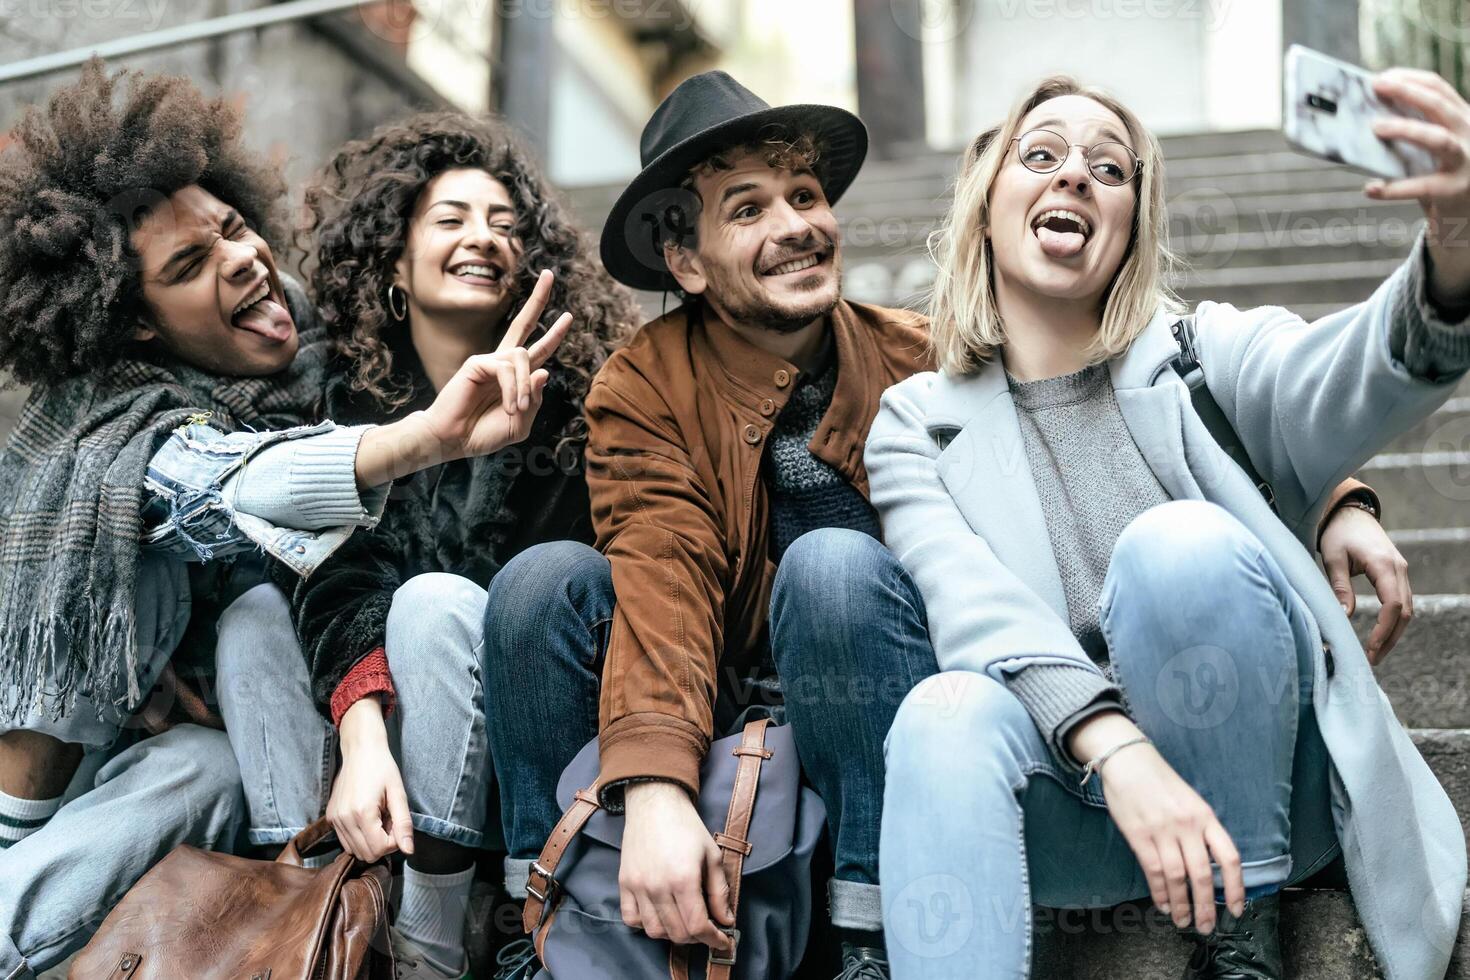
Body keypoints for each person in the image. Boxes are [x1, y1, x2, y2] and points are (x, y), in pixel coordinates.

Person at [481, 72, 1397, 980]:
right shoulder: (642, 385)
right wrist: (655, 790)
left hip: (885, 690)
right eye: (748, 210)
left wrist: (1330, 495)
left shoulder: (919, 358)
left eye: (804, 196)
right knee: (538, 586)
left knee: (833, 566)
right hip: (721, 692)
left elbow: (1119, 378)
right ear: (685, 260)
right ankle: (543, 924)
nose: (796, 227)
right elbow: (663, 577)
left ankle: (869, 938)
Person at [868, 72, 1469, 979]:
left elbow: (1336, 375)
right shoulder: (915, 420)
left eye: (1109, 169)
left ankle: (1242, 935)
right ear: (987, 202)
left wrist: (1453, 258)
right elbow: (973, 607)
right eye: (1042, 155)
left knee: (1173, 547)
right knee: (941, 709)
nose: (1075, 175)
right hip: (1079, 809)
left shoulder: (1203, 352)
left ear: (1131, 226)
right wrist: (1121, 753)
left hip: (1267, 792)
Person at [0, 64, 560, 978]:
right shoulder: (121, 425)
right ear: (136, 325)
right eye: (190, 265)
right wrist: (422, 437)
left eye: (232, 226)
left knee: (220, 729)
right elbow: (238, 487)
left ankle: (313, 931)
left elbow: (324, 567)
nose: (241, 258)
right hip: (40, 784)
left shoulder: (301, 358)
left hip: (178, 751)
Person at [214, 111, 639, 980]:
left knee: (437, 601)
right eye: (450, 220)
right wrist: (363, 729)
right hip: (354, 727)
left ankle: (429, 945)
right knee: (254, 611)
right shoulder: (329, 388)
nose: (483, 238)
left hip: (501, 747)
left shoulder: (573, 406)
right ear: (395, 264)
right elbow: (326, 570)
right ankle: (304, 912)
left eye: (505, 224)